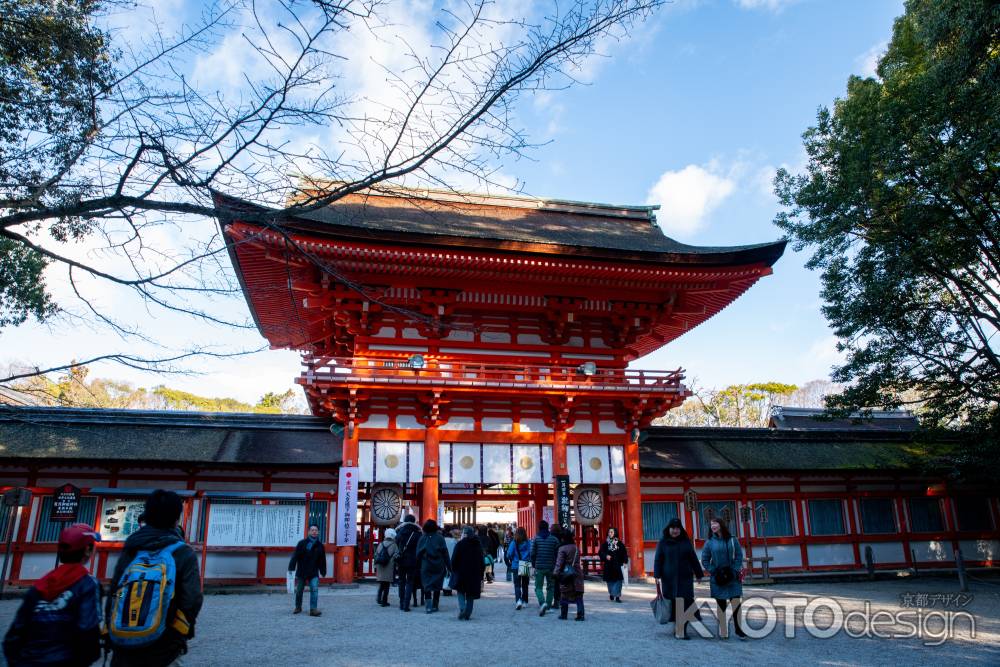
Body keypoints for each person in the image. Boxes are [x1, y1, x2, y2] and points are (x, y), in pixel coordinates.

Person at [106, 489, 202, 667]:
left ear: (147, 515)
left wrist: (112, 629)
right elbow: (192, 599)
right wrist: (179, 635)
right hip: (164, 642)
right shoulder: (182, 552)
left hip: (123, 641)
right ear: (176, 519)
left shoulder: (132, 548)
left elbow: (115, 591)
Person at [3, 524, 102, 666]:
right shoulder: (87, 585)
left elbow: (15, 635)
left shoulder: (40, 586)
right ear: (87, 550)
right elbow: (88, 631)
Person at [654, 518, 704, 640]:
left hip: (685, 577)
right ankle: (678, 627)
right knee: (674, 604)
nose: (675, 531)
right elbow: (658, 559)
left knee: (686, 603)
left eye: (677, 528)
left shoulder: (686, 542)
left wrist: (698, 574)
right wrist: (657, 575)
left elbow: (693, 558)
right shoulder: (663, 542)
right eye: (673, 528)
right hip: (669, 578)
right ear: (669, 529)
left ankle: (681, 630)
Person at [701, 517, 746, 639]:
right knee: (721, 605)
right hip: (718, 577)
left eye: (715, 523)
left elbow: (738, 555)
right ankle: (723, 630)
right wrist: (713, 570)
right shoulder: (709, 542)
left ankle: (739, 630)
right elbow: (704, 559)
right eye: (711, 524)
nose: (713, 526)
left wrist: (735, 569)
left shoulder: (732, 539)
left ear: (721, 524)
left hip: (732, 576)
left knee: (736, 603)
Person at [288, 525, 327, 616]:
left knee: (314, 589)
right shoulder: (302, 543)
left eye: (316, 530)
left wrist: (323, 570)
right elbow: (295, 556)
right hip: (302, 570)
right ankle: (298, 607)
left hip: (313, 571)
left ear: (318, 532)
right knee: (299, 590)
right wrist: (291, 567)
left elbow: (322, 560)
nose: (314, 532)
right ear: (309, 532)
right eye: (312, 530)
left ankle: (313, 609)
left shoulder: (320, 546)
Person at [450, 526, 485, 620]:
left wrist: (453, 569)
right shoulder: (478, 545)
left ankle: (462, 609)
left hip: (461, 572)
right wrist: (481, 574)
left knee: (460, 591)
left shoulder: (460, 544)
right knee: (470, 594)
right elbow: (482, 561)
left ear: (464, 534)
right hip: (474, 573)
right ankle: (468, 613)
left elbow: (454, 560)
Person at [415, 519, 450, 613]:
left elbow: (418, 553)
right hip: (439, 564)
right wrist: (449, 566)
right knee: (437, 585)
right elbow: (445, 553)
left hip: (426, 564)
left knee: (427, 585)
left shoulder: (422, 538)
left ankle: (428, 606)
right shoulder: (440, 538)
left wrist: (417, 565)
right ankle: (435, 605)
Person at [529, 520, 560, 616]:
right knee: (551, 587)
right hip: (551, 566)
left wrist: (533, 564)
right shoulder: (554, 539)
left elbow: (533, 553)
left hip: (539, 566)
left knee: (538, 587)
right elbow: (558, 554)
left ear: (539, 528)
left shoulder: (536, 539)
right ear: (547, 528)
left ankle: (542, 603)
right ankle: (549, 606)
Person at [553, 529, 585, 621]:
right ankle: (581, 614)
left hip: (567, 574)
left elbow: (559, 563)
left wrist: (555, 573)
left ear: (563, 538)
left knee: (564, 594)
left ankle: (564, 614)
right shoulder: (575, 547)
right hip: (577, 573)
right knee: (578, 594)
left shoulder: (562, 548)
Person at [394, 514, 421, 611]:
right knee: (410, 582)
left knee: (401, 581)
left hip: (401, 560)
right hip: (413, 560)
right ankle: (406, 604)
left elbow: (396, 543)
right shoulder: (418, 533)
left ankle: (401, 602)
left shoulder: (400, 532)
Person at [597, 527, 629, 603]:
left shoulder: (619, 543)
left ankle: (617, 596)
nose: (610, 534)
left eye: (612, 532)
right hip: (608, 566)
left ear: (615, 533)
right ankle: (611, 593)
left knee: (618, 581)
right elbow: (600, 552)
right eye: (609, 532)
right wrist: (605, 556)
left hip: (617, 565)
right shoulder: (605, 544)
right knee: (610, 581)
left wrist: (625, 561)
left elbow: (624, 553)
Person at [506, 527, 532, 609]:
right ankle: (525, 601)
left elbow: (509, 554)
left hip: (516, 565)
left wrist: (512, 558)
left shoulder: (514, 542)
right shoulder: (528, 542)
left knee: (517, 585)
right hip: (525, 564)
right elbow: (531, 553)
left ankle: (518, 601)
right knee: (525, 585)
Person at [373, 528, 399, 607]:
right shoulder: (394, 545)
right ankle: (384, 601)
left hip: (380, 566)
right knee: (387, 585)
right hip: (389, 566)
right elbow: (396, 555)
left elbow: (376, 555)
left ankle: (379, 597)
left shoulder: (381, 544)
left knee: (382, 583)